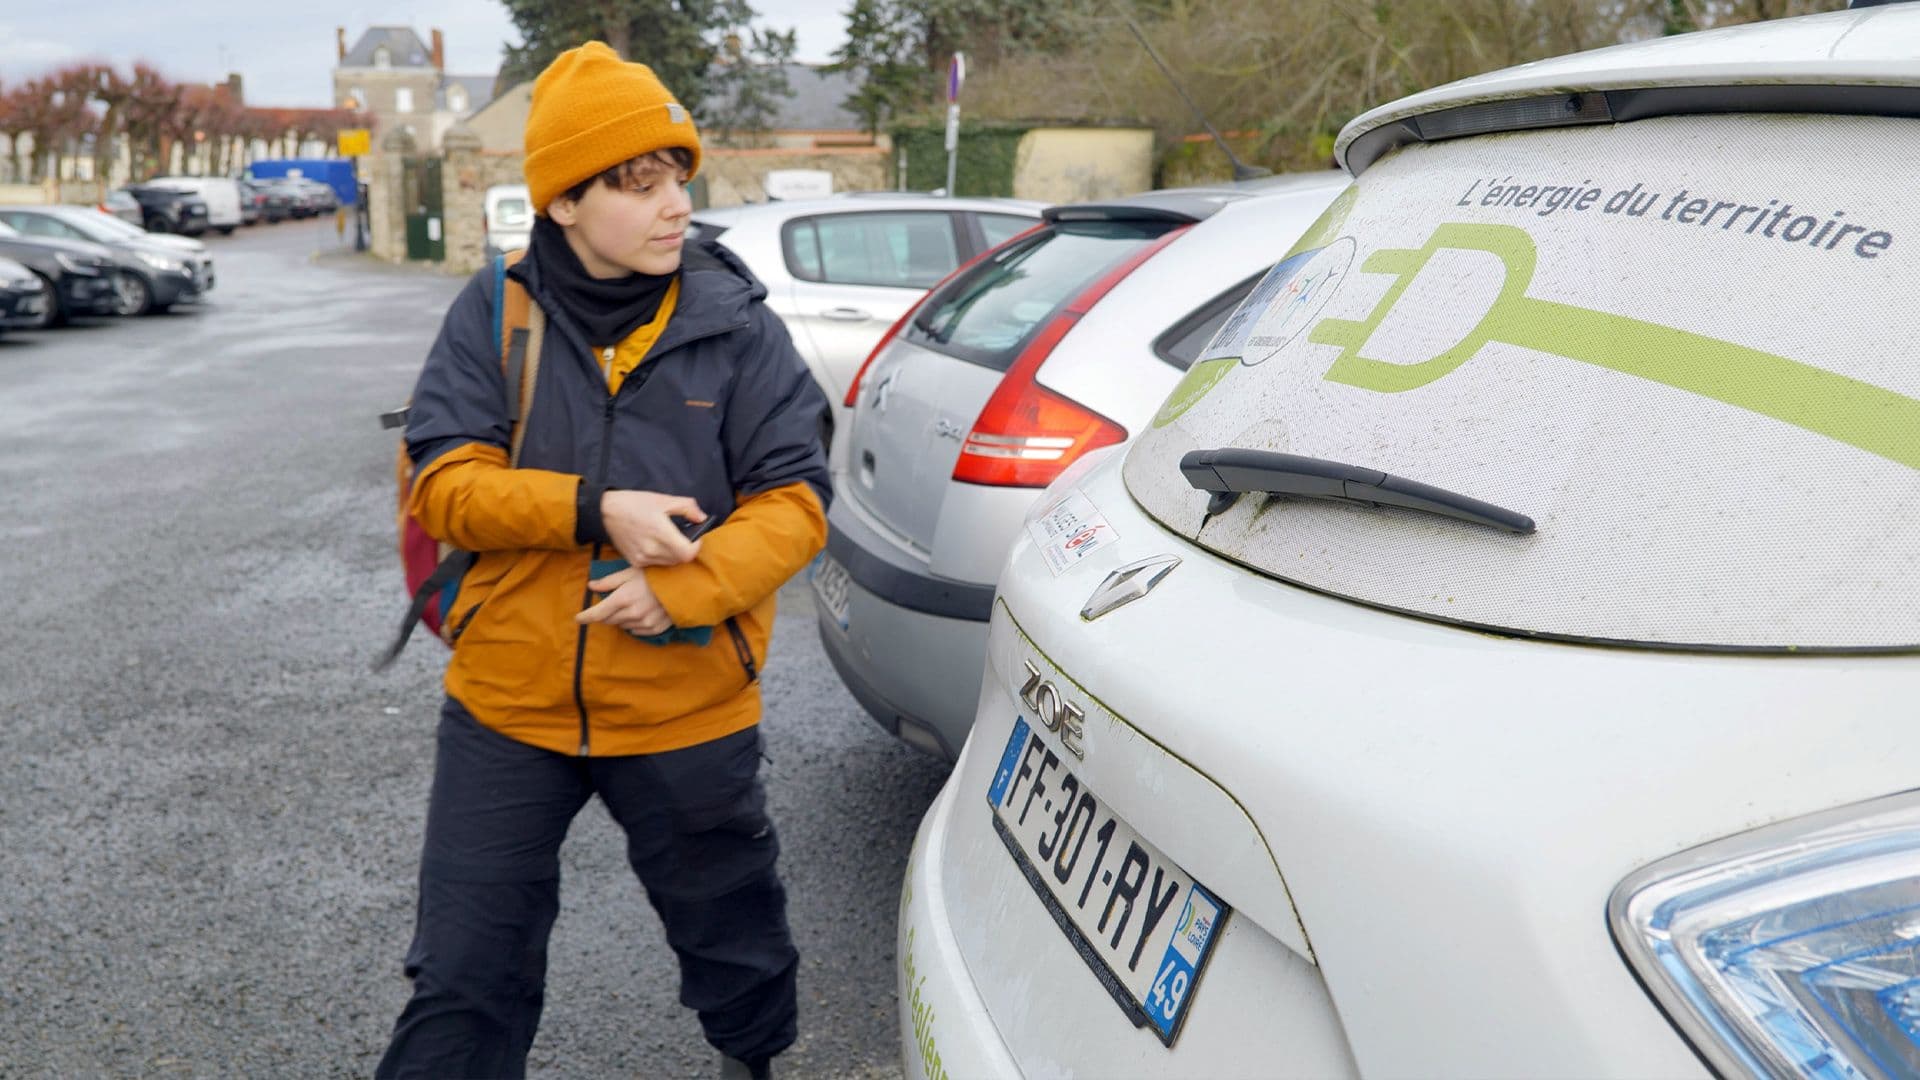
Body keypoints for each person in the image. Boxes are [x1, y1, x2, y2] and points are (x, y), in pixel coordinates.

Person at [376, 41, 828, 1080]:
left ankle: (753, 1061)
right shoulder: (494, 313)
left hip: (688, 703)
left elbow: (797, 501)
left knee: (734, 937)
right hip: (507, 706)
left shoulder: (738, 329)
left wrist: (688, 586)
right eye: (636, 182)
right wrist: (595, 510)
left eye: (678, 176)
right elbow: (441, 485)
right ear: (564, 203)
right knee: (463, 976)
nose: (673, 203)